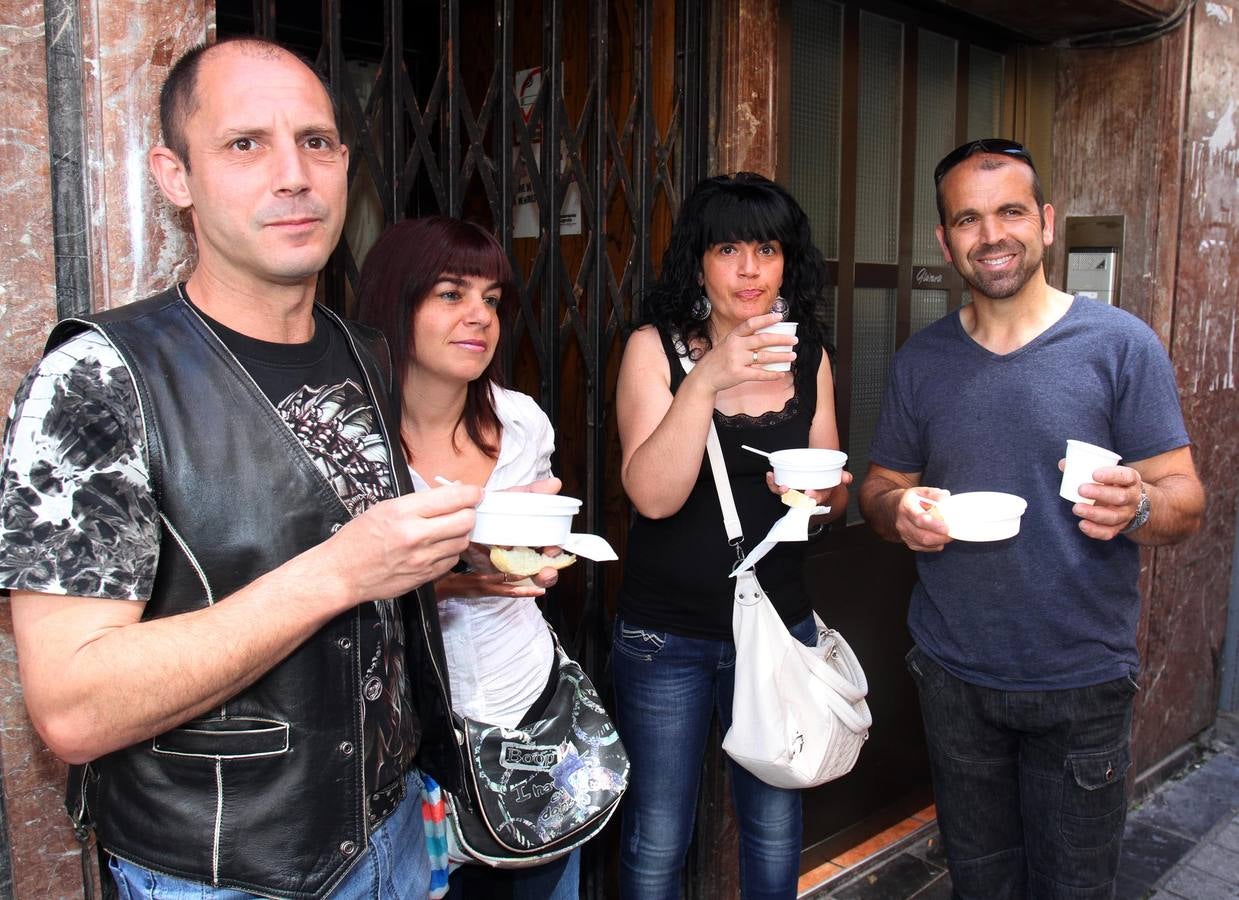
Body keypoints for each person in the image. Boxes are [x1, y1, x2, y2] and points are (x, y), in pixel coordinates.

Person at [0, 38, 482, 899]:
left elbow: (330, 568)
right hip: (228, 873)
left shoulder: (360, 350)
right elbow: (71, 707)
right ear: (175, 176)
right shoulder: (102, 380)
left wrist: (461, 562)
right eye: (244, 144)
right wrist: (338, 572)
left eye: (318, 142)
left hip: (400, 833)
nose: (293, 174)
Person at [858, 138, 1205, 899]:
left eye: (1010, 211)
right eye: (968, 219)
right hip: (953, 676)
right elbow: (880, 487)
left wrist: (1139, 504)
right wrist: (897, 511)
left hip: (1079, 680)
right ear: (944, 240)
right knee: (980, 885)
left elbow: (1184, 498)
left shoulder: (1119, 346)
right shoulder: (922, 360)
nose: (992, 235)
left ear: (1045, 223)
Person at [612, 172, 850, 899]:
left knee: (775, 829)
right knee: (658, 835)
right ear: (697, 262)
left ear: (787, 262)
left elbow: (835, 494)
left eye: (765, 250)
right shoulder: (653, 350)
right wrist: (705, 378)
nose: (748, 269)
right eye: (727, 250)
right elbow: (652, 497)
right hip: (666, 639)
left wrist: (815, 495)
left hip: (779, 630)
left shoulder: (808, 355)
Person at [355, 216, 579, 900]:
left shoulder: (519, 423)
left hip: (529, 703)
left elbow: (535, 555)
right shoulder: (355, 445)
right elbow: (333, 592)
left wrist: (538, 557)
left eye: (490, 298)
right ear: (398, 303)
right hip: (414, 742)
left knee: (547, 882)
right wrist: (452, 583)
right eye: (450, 294)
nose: (478, 316)